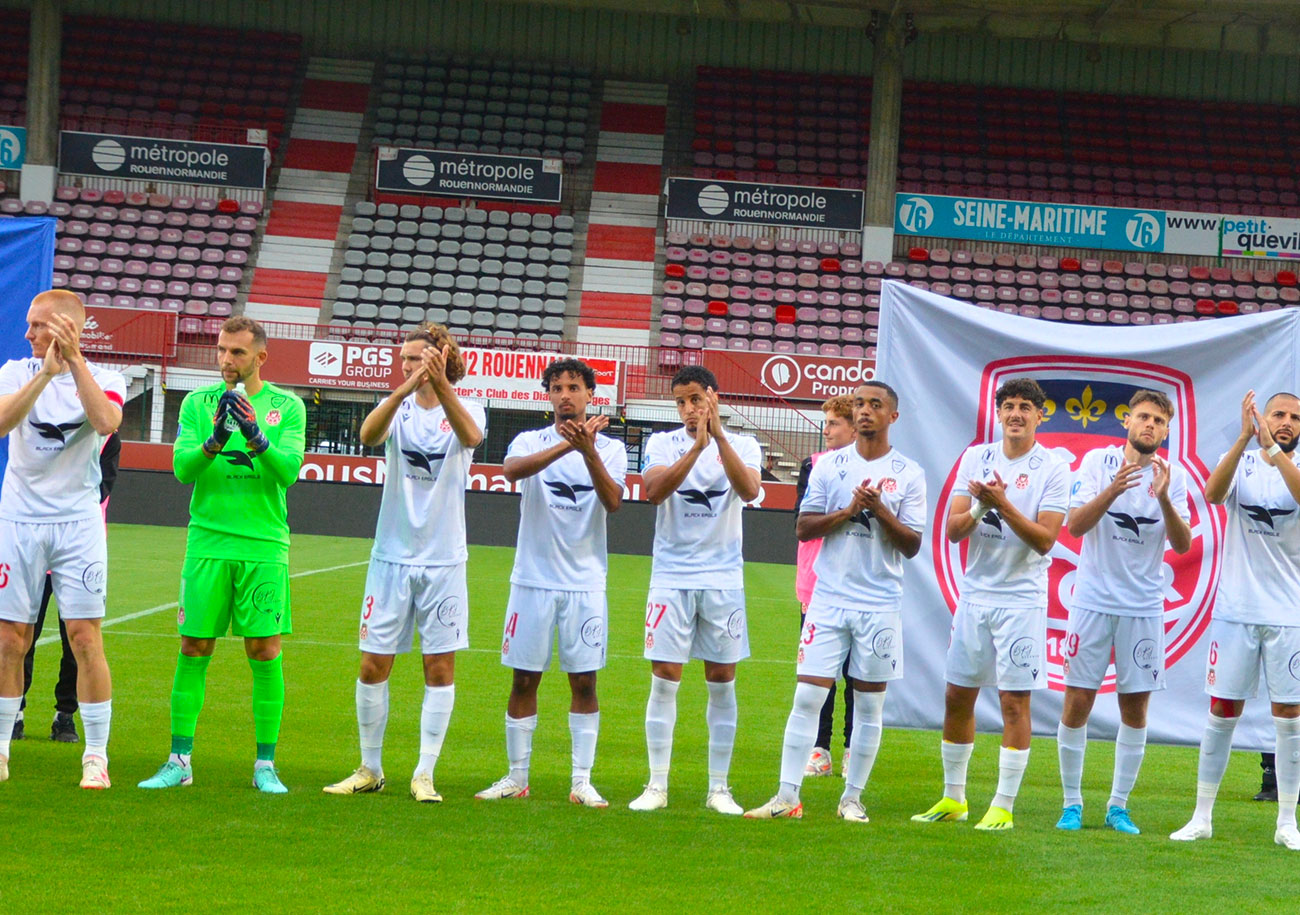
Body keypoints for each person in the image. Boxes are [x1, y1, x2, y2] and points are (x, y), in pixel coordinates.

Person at [138, 316, 305, 794]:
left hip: (263, 545)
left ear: (260, 358)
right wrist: (213, 439)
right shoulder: (196, 403)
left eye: (237, 352)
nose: (227, 360)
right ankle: (179, 760)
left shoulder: (286, 406)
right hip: (207, 542)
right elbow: (183, 470)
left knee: (265, 650)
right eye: (221, 350)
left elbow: (288, 472)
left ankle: (265, 766)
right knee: (193, 646)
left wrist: (255, 434)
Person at [745, 381, 926, 821]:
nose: (866, 411)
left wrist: (880, 510)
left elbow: (912, 545)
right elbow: (804, 528)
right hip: (828, 599)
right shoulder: (829, 466)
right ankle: (787, 797)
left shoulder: (909, 472)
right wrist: (848, 511)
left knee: (868, 705)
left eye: (876, 405)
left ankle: (852, 798)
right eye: (861, 404)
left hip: (881, 603)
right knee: (807, 697)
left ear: (893, 416)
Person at [324, 324, 484, 802]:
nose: (407, 366)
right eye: (404, 359)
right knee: (373, 665)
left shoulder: (467, 407)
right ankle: (370, 767)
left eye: (416, 359)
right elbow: (369, 435)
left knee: (438, 668)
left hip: (443, 561)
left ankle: (424, 773)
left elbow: (472, 437)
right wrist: (405, 389)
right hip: (390, 557)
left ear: (439, 360)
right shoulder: (397, 408)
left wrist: (443, 386)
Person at [913, 377, 1069, 831]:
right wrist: (982, 508)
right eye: (1009, 406)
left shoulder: (1053, 468)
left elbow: (1045, 540)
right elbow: (952, 530)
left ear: (1040, 415)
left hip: (1022, 599)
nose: (1016, 413)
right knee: (957, 695)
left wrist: (1002, 503)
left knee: (1014, 703)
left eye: (1025, 406)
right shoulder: (975, 457)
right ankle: (953, 798)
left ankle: (1003, 804)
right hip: (975, 595)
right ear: (997, 413)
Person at [476, 358, 626, 807]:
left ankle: (581, 780)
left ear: (589, 395)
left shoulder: (611, 448)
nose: (565, 394)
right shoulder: (529, 440)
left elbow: (614, 501)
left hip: (584, 585)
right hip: (532, 582)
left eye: (574, 387)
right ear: (548, 395)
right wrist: (568, 447)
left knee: (584, 683)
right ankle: (517, 777)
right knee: (524, 680)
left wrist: (589, 451)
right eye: (557, 387)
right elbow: (512, 472)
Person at [0, 289, 124, 787]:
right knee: (10, 639)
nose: (28, 334)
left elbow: (106, 422)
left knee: (84, 638)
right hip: (19, 521)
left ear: (66, 328)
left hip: (78, 523)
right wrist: (46, 374)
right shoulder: (14, 372)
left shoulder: (108, 379)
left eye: (37, 325)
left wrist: (72, 366)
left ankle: (96, 755)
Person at [1055, 391, 1191, 835]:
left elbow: (1184, 544)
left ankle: (1118, 806)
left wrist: (1166, 498)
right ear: (1127, 421)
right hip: (1092, 601)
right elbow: (1074, 526)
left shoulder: (1175, 475)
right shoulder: (1097, 463)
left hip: (1144, 607)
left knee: (1135, 707)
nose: (1149, 425)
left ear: (1167, 430)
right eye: (1143, 417)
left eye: (1158, 420)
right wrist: (1113, 489)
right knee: (1078, 701)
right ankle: (1071, 803)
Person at [627, 366, 761, 815]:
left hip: (723, 579)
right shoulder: (662, 443)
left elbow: (750, 489)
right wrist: (695, 448)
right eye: (681, 401)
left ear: (714, 398)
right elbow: (654, 492)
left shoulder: (742, 444)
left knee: (722, 681)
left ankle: (719, 787)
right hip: (671, 577)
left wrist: (718, 440)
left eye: (696, 399)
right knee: (665, 679)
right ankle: (657, 785)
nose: (689, 409)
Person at [1171, 390, 1300, 850]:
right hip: (1235, 609)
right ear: (1262, 416)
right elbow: (1209, 493)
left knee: (1289, 715)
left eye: (1294, 417)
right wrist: (1246, 439)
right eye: (1278, 414)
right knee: (1223, 710)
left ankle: (1287, 822)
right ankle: (1201, 815)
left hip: (1289, 613)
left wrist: (1270, 448)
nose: (1285, 422)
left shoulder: (1294, 464)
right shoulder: (1242, 462)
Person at [16, 432, 120, 744]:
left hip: (79, 551)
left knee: (78, 641)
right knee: (21, 635)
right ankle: (15, 710)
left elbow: (102, 487)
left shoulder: (107, 435)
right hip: (31, 544)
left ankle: (65, 715)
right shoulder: (35, 427)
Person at [796, 394, 857, 778]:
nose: (827, 430)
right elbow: (804, 521)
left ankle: (853, 747)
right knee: (818, 674)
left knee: (857, 675)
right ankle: (820, 748)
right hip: (814, 581)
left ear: (854, 427)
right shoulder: (813, 465)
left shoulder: (877, 469)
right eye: (826, 422)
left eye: (834, 423)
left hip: (857, 583)